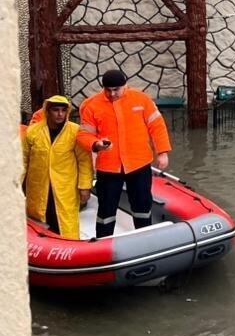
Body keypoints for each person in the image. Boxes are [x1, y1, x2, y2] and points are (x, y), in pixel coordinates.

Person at [76, 69, 172, 239]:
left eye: (116, 90)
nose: (112, 94)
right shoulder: (91, 105)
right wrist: (96, 144)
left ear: (125, 85)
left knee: (142, 205)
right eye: (108, 90)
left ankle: (145, 240)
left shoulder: (142, 99)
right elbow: (84, 134)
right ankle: (103, 242)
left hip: (139, 164)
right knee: (106, 208)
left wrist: (162, 152)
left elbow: (157, 126)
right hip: (108, 167)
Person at [22, 95, 94, 239]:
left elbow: (84, 161)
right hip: (39, 188)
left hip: (65, 189)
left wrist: (85, 187)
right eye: (56, 110)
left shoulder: (75, 132)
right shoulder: (33, 132)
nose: (60, 114)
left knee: (65, 224)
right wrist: (14, 186)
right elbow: (23, 160)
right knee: (39, 222)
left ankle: (70, 253)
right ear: (47, 111)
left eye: (63, 110)